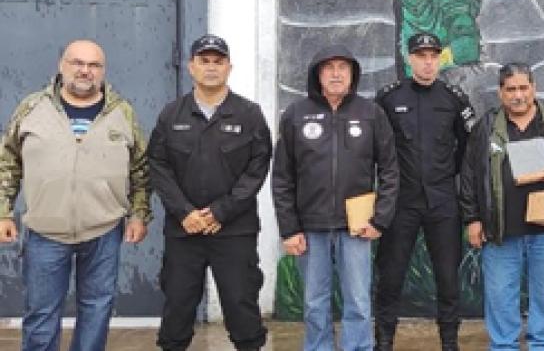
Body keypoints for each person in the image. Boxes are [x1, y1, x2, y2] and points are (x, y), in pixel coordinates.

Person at [0, 39, 151, 351]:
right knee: (41, 314)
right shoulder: (32, 108)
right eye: (77, 63)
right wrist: (3, 211)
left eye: (94, 65)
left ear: (103, 71)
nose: (85, 71)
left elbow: (141, 166)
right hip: (45, 231)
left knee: (96, 309)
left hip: (103, 230)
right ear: (61, 66)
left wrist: (139, 213)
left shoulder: (121, 112)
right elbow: (8, 161)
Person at [271, 43, 399, 351]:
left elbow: (391, 171)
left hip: (357, 227)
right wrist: (289, 229)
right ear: (317, 75)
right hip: (310, 227)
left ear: (353, 74)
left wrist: (379, 219)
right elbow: (282, 178)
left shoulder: (371, 114)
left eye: (343, 68)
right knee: (315, 302)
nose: (336, 74)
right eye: (329, 68)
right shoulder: (296, 115)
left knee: (357, 300)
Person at [148, 35, 272, 351]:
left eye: (218, 61)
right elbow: (158, 166)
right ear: (191, 67)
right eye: (204, 61)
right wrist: (184, 212)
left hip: (234, 231)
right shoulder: (171, 115)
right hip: (183, 230)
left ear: (229, 67)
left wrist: (222, 211)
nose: (212, 68)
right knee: (178, 305)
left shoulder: (249, 114)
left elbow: (257, 169)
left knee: (241, 303)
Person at [459, 63, 544, 350]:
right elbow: (469, 174)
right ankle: (503, 346)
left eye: (523, 88)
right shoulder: (487, 126)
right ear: (500, 92)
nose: (518, 95)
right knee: (499, 295)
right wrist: (472, 219)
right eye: (511, 89)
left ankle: (543, 345)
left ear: (534, 88)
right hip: (500, 229)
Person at [374, 32, 475, 351]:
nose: (428, 62)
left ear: (440, 58)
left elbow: (468, 149)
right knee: (391, 276)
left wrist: (447, 175)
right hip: (400, 202)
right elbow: (376, 148)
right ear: (410, 59)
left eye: (433, 56)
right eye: (421, 56)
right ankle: (384, 340)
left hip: (442, 202)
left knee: (447, 279)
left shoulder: (454, 98)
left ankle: (449, 342)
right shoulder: (388, 98)